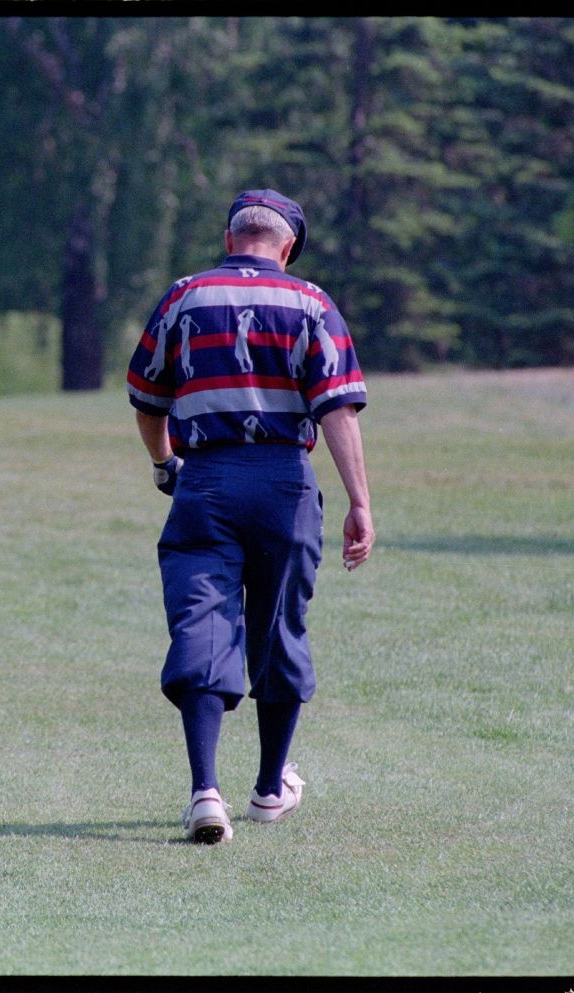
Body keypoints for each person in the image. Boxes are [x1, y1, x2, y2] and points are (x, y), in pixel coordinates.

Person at [125, 188, 374, 844]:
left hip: (205, 481)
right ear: (286, 247)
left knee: (202, 623)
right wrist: (359, 502)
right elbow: (337, 409)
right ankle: (268, 790)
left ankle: (205, 789)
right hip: (285, 486)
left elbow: (147, 397)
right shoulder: (313, 303)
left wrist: (164, 463)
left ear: (231, 237)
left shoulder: (184, 296)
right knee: (279, 630)